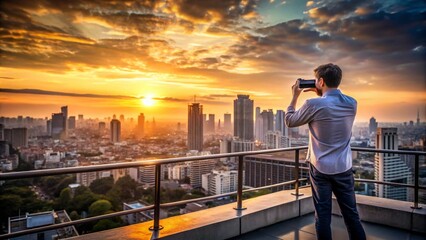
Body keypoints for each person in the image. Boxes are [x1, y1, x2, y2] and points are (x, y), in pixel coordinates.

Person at [285, 63, 366, 240]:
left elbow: (290, 121)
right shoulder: (352, 103)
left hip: (320, 169)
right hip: (344, 168)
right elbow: (331, 104)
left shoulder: (312, 104)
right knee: (351, 216)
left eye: (316, 81)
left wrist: (294, 96)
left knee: (322, 217)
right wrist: (321, 91)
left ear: (320, 81)